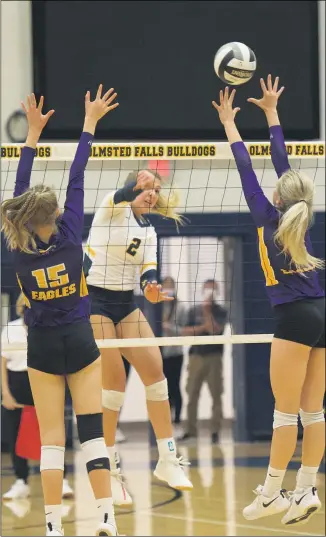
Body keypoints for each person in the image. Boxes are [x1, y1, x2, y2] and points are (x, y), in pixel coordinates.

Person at [1, 86, 120, 537]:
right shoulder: (70, 234)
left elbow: (17, 189)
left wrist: (31, 135)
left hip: (43, 346)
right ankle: (105, 517)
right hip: (81, 340)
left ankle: (52, 527)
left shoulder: (19, 244)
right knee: (91, 433)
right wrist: (89, 122)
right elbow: (78, 172)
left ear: (25, 218)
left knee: (51, 441)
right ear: (57, 214)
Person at [213, 76, 325, 526]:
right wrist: (272, 113)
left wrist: (229, 123)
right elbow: (284, 163)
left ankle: (273, 493)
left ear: (278, 196)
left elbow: (245, 165)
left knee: (285, 412)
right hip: (321, 312)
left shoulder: (266, 215)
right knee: (313, 410)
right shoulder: (304, 219)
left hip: (294, 319)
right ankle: (307, 488)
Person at [85, 169, 193, 506]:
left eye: (157, 190)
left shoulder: (149, 232)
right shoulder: (110, 207)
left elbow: (148, 273)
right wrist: (137, 184)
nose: (152, 194)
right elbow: (120, 194)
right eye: (147, 188)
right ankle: (111, 468)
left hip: (125, 304)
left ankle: (167, 457)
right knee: (114, 382)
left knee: (155, 373)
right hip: (95, 301)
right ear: (133, 187)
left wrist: (152, 289)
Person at [2, 294, 73, 501]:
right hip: (18, 385)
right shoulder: (11, 329)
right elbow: (2, 363)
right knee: (16, 437)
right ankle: (20, 481)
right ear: (21, 307)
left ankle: (62, 480)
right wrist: (5, 393)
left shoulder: (50, 327)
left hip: (46, 382)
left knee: (53, 434)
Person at [178, 279, 228, 444]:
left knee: (216, 395)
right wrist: (202, 328)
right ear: (202, 291)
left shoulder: (221, 311)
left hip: (214, 357)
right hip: (195, 356)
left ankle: (215, 431)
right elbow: (185, 331)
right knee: (191, 394)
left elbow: (215, 330)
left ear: (218, 292)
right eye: (207, 290)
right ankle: (190, 431)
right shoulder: (193, 310)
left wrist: (207, 313)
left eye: (213, 290)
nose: (210, 293)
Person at [161, 276, 187, 424]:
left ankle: (177, 420)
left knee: (175, 386)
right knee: (161, 388)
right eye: (165, 286)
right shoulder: (156, 306)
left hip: (175, 353)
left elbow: (184, 330)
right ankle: (165, 418)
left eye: (170, 286)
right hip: (160, 353)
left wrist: (169, 327)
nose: (168, 289)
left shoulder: (181, 307)